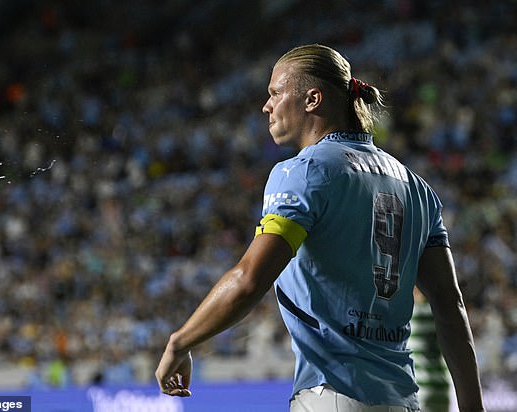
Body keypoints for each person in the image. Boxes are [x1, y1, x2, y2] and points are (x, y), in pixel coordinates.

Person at [155, 44, 485, 412]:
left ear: (312, 99)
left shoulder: (303, 172)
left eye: (275, 93)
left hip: (333, 396)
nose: (267, 106)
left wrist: (180, 341)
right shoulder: (417, 186)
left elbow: (249, 280)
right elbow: (449, 304)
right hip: (403, 401)